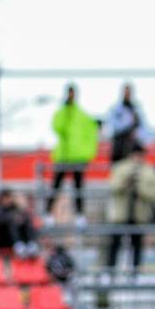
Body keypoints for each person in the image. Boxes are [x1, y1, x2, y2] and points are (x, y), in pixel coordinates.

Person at [105, 141, 155, 271]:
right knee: (114, 244)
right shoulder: (120, 168)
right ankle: (109, 272)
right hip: (121, 214)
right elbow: (113, 187)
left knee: (137, 245)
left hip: (140, 215)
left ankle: (135, 273)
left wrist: (140, 188)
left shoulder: (150, 170)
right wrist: (126, 182)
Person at [50, 84, 98, 218]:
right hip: (63, 156)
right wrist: (66, 111)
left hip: (77, 156)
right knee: (56, 185)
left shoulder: (82, 116)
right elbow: (57, 127)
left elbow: (91, 133)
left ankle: (80, 214)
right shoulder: (62, 113)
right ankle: (49, 213)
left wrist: (88, 155)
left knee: (78, 187)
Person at [0, 189, 38, 257]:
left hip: (15, 234)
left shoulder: (15, 207)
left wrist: (21, 217)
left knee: (26, 222)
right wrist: (12, 217)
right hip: (2, 237)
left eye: (9, 197)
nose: (8, 200)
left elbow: (24, 216)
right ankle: (19, 245)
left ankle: (31, 244)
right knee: (13, 222)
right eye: (6, 198)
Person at [105, 82, 145, 163]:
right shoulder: (116, 109)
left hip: (131, 144)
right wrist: (128, 127)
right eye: (125, 92)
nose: (127, 94)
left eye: (129, 92)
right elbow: (113, 124)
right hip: (119, 143)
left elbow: (142, 127)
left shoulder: (136, 109)